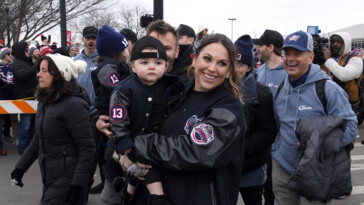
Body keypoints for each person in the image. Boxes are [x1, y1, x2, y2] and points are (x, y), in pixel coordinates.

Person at [122, 34, 245, 205]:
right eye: (207, 59)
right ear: (194, 60)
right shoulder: (175, 92)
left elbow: (197, 151)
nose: (212, 68)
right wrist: (114, 130)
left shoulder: (229, 108)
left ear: (229, 71)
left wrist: (139, 144)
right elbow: (138, 118)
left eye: (222, 63)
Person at [272, 30, 358, 205]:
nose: (290, 58)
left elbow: (350, 128)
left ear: (311, 57)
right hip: (282, 168)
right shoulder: (280, 89)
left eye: (297, 53)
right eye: (287, 53)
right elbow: (278, 126)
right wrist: (276, 153)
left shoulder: (328, 89)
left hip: (316, 171)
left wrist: (318, 142)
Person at [10, 54, 96, 205]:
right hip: (51, 175)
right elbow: (39, 138)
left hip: (69, 178)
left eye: (44, 70)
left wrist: (77, 185)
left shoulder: (74, 104)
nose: (38, 74)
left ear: (59, 74)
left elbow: (87, 148)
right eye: (39, 70)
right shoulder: (46, 101)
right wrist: (20, 168)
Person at [110, 35, 183, 205]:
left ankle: (127, 194)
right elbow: (118, 118)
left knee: (139, 172)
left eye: (158, 63)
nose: (152, 67)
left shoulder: (171, 85)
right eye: (144, 63)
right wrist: (122, 140)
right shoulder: (125, 89)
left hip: (159, 140)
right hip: (135, 140)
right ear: (133, 67)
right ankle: (158, 198)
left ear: (166, 66)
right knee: (147, 167)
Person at [234, 35, 277, 205]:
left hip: (252, 168)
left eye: (240, 64)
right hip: (225, 169)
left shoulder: (262, 94)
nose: (235, 69)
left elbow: (268, 132)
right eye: (232, 62)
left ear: (249, 67)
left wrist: (239, 148)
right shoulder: (219, 89)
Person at [90, 25, 130, 198]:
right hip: (109, 116)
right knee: (110, 155)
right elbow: (117, 88)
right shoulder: (108, 67)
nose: (128, 48)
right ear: (117, 50)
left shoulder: (118, 65)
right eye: (124, 46)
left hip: (111, 115)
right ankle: (113, 182)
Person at [252, 29, 285, 205]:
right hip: (261, 142)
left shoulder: (289, 73)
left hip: (280, 144)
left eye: (261, 45)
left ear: (270, 47)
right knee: (263, 187)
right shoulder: (259, 72)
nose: (257, 49)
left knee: (274, 190)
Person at [321, 32, 364, 159]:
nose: (335, 44)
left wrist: (328, 60)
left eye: (339, 42)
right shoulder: (327, 60)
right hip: (326, 111)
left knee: (342, 151)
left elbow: (344, 74)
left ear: (346, 44)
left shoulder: (354, 59)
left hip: (346, 112)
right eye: (333, 41)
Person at [12, 42, 37, 154]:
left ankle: (31, 146)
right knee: (26, 124)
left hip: (33, 96)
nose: (28, 52)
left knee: (33, 124)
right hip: (24, 97)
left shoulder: (27, 62)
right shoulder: (17, 63)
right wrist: (37, 65)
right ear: (20, 51)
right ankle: (23, 147)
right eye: (26, 50)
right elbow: (23, 75)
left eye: (28, 50)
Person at [74, 26, 99, 103]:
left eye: (94, 38)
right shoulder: (75, 60)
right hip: (79, 107)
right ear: (83, 39)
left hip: (97, 109)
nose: (91, 41)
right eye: (88, 38)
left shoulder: (103, 59)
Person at [0, 47, 17, 155]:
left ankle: (16, 138)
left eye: (11, 53)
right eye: (8, 53)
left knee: (14, 119)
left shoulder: (14, 67)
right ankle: (1, 145)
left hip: (14, 97)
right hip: (2, 97)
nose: (11, 55)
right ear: (3, 56)